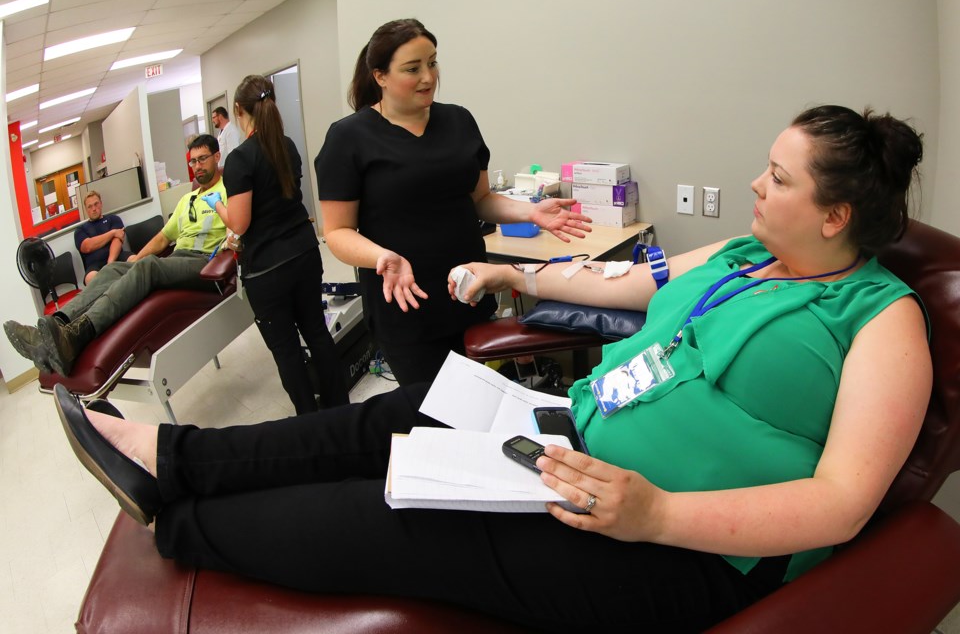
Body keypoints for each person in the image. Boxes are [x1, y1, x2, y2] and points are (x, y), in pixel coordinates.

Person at [54, 105, 931, 632]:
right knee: (386, 417)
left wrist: (657, 512)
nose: (754, 186)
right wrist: (520, 273)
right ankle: (173, 461)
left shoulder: (883, 323)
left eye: (777, 179)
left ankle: (175, 532)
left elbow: (840, 503)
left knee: (392, 515)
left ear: (836, 214)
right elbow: (627, 282)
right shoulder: (743, 255)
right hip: (570, 439)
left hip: (669, 546)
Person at [314, 19, 592, 386]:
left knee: (480, 402)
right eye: (413, 69)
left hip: (469, 293)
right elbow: (337, 232)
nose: (428, 76)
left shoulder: (458, 121)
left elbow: (482, 200)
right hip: (406, 304)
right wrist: (381, 257)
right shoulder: (348, 137)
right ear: (379, 75)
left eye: (432, 62)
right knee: (434, 415)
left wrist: (531, 212)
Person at [4, 135, 229, 377]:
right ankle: (56, 328)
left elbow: (236, 227)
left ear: (217, 156)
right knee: (113, 269)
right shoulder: (187, 199)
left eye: (202, 159)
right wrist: (135, 258)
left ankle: (77, 335)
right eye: (193, 161)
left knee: (148, 267)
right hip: (178, 258)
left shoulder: (228, 191)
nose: (196, 166)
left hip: (205, 263)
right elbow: (163, 237)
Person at [206, 75, 348, 414]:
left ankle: (310, 421)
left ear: (239, 110)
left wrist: (218, 205)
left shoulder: (241, 159)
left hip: (268, 270)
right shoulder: (287, 145)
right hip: (304, 254)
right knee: (316, 332)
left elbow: (240, 224)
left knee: (286, 351)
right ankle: (341, 410)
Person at [75, 191, 131, 284]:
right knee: (90, 279)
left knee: (135, 259)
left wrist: (110, 263)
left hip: (117, 257)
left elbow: (118, 239)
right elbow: (88, 246)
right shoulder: (80, 230)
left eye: (96, 204)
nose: (94, 208)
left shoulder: (114, 219)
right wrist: (112, 233)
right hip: (94, 265)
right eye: (90, 206)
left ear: (101, 204)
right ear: (86, 209)